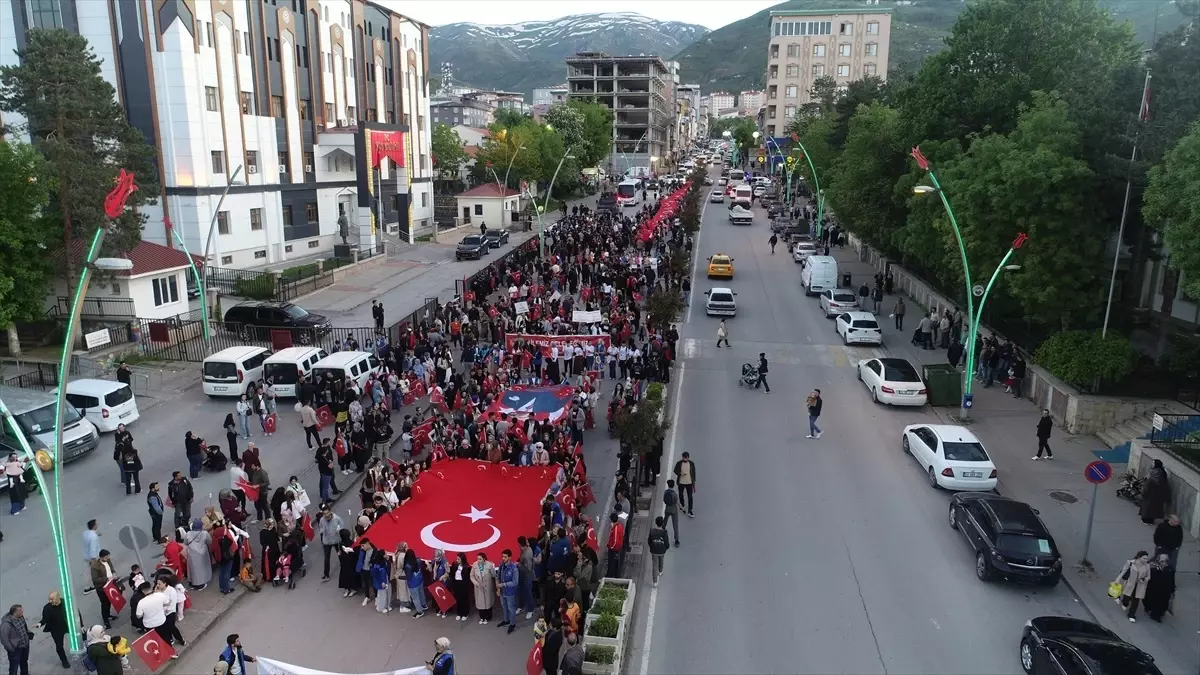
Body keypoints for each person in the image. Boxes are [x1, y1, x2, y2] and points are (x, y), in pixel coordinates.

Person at [36, 591, 71, 669]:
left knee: (82, 634)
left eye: (52, 599)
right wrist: (40, 623)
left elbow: (76, 613)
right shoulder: (47, 608)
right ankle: (64, 661)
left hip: (67, 625)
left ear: (58, 598)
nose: (50, 601)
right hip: (56, 629)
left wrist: (81, 625)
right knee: (59, 646)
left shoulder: (66, 603)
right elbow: (45, 618)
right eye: (49, 599)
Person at [1115, 551, 1152, 622]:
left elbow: (1148, 577)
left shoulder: (1147, 566)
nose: (1145, 560)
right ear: (1139, 557)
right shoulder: (1130, 563)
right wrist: (1117, 580)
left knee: (1136, 600)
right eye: (1144, 558)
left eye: (1146, 559)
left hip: (1140, 586)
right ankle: (1125, 603)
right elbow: (1123, 571)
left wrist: (1144, 579)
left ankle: (1131, 615)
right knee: (1127, 596)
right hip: (1130, 583)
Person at [89, 550, 121, 629]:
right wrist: (107, 578)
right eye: (107, 557)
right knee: (104, 604)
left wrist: (114, 573)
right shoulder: (95, 566)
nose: (108, 558)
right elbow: (95, 579)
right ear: (101, 557)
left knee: (110, 601)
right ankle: (105, 620)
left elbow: (111, 568)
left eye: (108, 556)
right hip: (102, 588)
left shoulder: (108, 560)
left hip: (110, 584)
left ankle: (108, 615)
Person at [1142, 554, 1176, 623]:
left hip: (1165, 590)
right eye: (1162, 561)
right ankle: (1152, 611)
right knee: (1151, 600)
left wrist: (1172, 590)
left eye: (1165, 561)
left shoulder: (1169, 569)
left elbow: (1172, 580)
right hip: (1153, 589)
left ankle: (1159, 613)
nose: (1163, 563)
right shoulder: (1152, 567)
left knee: (1162, 603)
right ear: (1158, 560)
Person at [0, 604, 32, 675]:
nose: (22, 611)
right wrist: (11, 648)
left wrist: (28, 634)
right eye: (20, 610)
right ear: (15, 612)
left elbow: (24, 627)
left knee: (24, 662)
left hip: (25, 646)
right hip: (16, 649)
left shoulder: (21, 617)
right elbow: (4, 638)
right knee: (14, 667)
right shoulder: (6, 624)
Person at [316, 506, 344, 581]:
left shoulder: (337, 518)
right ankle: (326, 574)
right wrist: (322, 531)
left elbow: (342, 526)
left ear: (330, 512)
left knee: (340, 555)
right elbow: (320, 528)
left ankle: (344, 569)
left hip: (336, 540)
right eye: (324, 513)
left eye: (327, 513)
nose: (326, 515)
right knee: (326, 558)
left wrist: (339, 530)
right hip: (327, 541)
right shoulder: (322, 520)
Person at [1139, 460, 1171, 524]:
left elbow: (1148, 484)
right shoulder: (1162, 473)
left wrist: (1143, 491)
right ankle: (1151, 519)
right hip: (1157, 494)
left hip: (1151, 494)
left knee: (1148, 507)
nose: (1152, 464)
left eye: (1153, 463)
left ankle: (1146, 520)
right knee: (1154, 508)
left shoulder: (1154, 474)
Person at [182, 523, 213, 590]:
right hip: (202, 554)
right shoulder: (204, 533)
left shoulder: (188, 533)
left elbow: (185, 542)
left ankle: (192, 583)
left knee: (192, 568)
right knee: (202, 569)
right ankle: (200, 585)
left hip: (191, 554)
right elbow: (209, 541)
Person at [497, 549, 520, 633]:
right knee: (504, 606)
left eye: (505, 557)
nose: (503, 558)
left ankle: (513, 624)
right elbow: (498, 576)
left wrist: (504, 584)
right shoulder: (501, 565)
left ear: (510, 557)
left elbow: (515, 582)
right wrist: (498, 588)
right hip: (502, 591)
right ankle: (506, 620)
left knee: (511, 608)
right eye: (502, 556)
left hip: (510, 592)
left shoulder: (514, 568)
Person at [470, 552, 496, 625]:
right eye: (477, 559)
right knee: (480, 603)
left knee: (488, 602)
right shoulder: (474, 565)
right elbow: (471, 576)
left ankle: (487, 617)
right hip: (479, 588)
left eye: (480, 559)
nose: (478, 560)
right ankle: (482, 617)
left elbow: (494, 575)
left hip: (487, 588)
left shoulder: (489, 565)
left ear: (484, 559)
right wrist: (475, 583)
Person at [647, 516, 670, 586]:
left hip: (654, 550)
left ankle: (654, 582)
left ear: (656, 523)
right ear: (662, 523)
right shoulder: (664, 532)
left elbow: (649, 541)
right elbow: (666, 542)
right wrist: (666, 547)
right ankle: (660, 570)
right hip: (662, 550)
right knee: (661, 559)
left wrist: (651, 546)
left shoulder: (652, 531)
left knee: (654, 565)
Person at [673, 452, 696, 517]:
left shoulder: (691, 463)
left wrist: (694, 481)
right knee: (680, 494)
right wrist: (680, 474)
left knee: (690, 497)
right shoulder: (679, 463)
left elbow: (693, 473)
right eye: (684, 458)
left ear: (688, 457)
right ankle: (682, 505)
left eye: (687, 458)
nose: (686, 459)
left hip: (689, 482)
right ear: (682, 457)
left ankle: (690, 510)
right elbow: (675, 470)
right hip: (681, 482)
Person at [605, 512, 624, 576]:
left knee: (611, 563)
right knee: (616, 562)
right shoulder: (620, 525)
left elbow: (615, 541)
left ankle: (609, 576)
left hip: (614, 549)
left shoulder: (615, 528)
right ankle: (615, 575)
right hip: (618, 548)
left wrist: (611, 547)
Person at [662, 480, 680, 546]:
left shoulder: (666, 492)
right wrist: (682, 508)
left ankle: (661, 532)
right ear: (673, 485)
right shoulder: (674, 494)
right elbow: (676, 502)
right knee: (675, 525)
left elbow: (664, 500)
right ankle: (676, 540)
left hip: (667, 509)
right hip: (674, 510)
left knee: (665, 521)